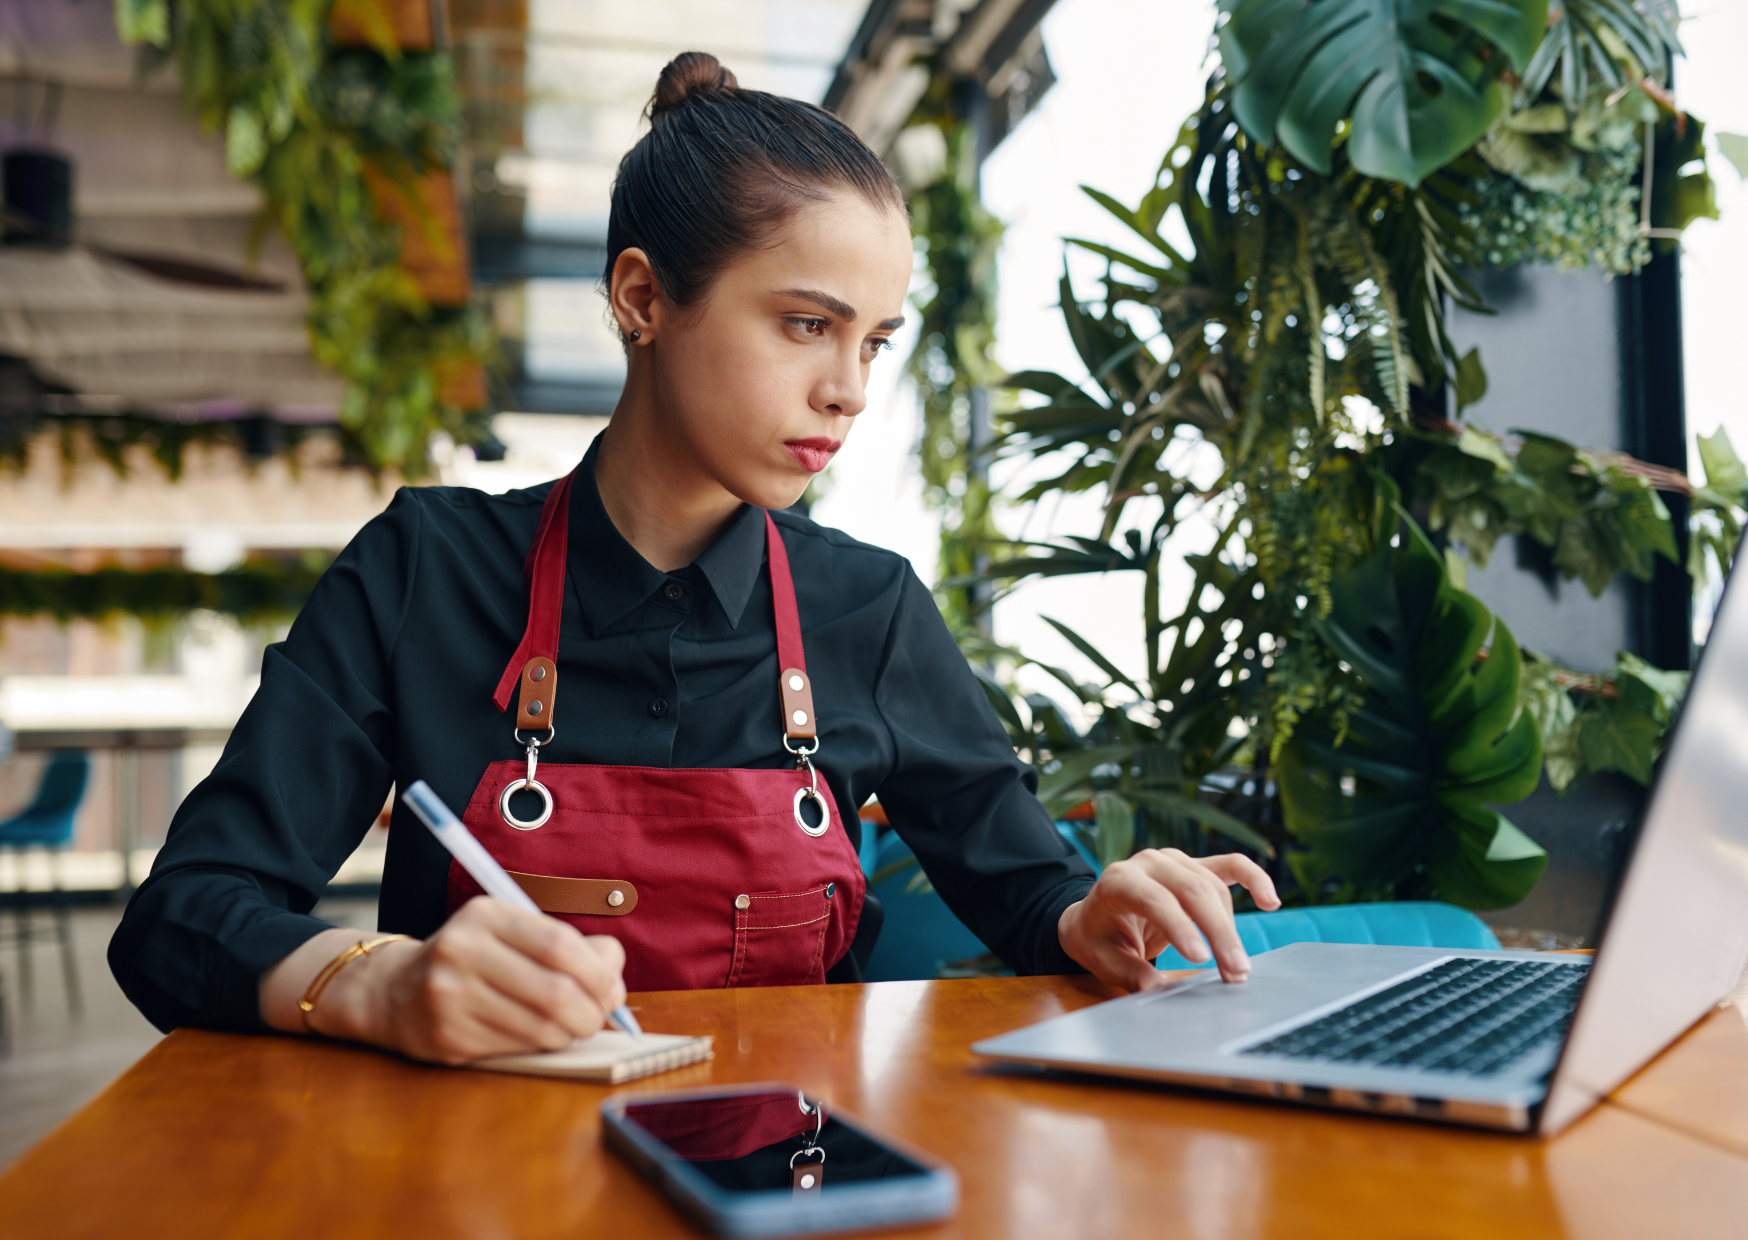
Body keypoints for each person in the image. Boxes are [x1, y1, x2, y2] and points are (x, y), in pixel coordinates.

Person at [109, 52, 1279, 1066]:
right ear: (640, 298)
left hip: (801, 1177)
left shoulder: (865, 608)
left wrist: (1090, 912)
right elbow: (183, 916)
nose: (849, 390)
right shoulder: (424, 571)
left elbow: (1027, 890)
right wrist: (377, 982)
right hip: (475, 1179)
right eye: (805, 324)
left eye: (874, 341)